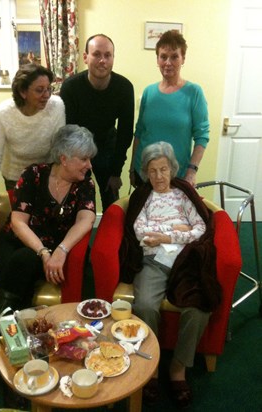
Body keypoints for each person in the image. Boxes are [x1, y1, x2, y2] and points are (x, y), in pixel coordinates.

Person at [0, 124, 97, 387]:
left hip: (49, 249)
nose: (89, 164)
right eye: (84, 158)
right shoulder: (34, 175)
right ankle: (22, 358)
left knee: (22, 269)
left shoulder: (84, 182)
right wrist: (43, 252)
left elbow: (86, 221)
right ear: (64, 158)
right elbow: (19, 223)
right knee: (24, 263)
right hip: (15, 241)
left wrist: (61, 250)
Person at [120, 142, 221, 408]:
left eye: (163, 169)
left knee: (199, 308)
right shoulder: (144, 197)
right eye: (152, 171)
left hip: (185, 261)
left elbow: (200, 228)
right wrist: (177, 226)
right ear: (146, 173)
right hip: (153, 261)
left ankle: (178, 368)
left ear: (172, 169)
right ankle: (151, 366)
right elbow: (139, 231)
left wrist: (167, 235)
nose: (158, 176)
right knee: (144, 305)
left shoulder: (183, 194)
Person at [0, 63, 66, 216]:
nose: (47, 95)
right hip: (15, 177)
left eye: (49, 88)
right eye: (39, 90)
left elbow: (59, 147)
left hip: (46, 174)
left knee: (43, 219)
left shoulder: (57, 106)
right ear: (23, 92)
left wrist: (59, 181)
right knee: (20, 220)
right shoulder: (2, 113)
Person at [60, 33, 135, 211]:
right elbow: (68, 133)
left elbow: (125, 133)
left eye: (107, 55)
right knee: (78, 203)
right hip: (77, 148)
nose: (102, 60)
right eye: (97, 54)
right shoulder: (70, 87)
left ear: (113, 58)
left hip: (108, 147)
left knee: (112, 203)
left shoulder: (124, 88)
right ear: (86, 57)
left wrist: (116, 172)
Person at [130, 30, 209, 188]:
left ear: (183, 58)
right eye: (163, 56)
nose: (168, 62)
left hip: (176, 176)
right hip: (145, 173)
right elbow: (139, 133)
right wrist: (133, 167)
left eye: (174, 56)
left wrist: (191, 171)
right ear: (157, 59)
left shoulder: (194, 92)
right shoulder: (148, 92)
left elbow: (202, 137)